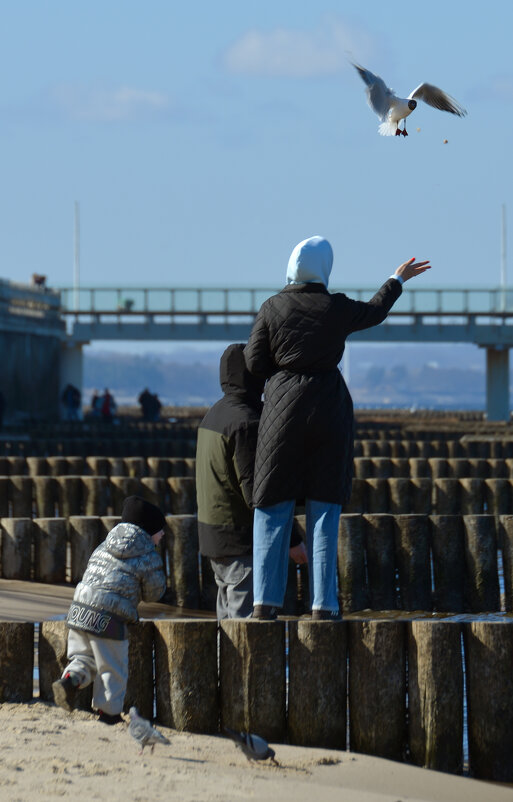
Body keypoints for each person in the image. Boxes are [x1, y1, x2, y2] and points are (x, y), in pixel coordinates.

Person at [244, 235, 430, 621]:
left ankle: (265, 603)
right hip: (329, 407)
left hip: (282, 408)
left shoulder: (272, 307)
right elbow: (375, 311)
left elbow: (254, 362)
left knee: (272, 505)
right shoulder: (336, 305)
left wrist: (280, 376)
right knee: (325, 509)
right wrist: (396, 279)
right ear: (324, 269)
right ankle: (324, 605)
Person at [196, 343, 307, 619]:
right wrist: (292, 539)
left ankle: (225, 664)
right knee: (246, 626)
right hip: (241, 540)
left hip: (214, 535)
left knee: (228, 621)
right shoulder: (247, 423)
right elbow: (259, 491)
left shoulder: (215, 414)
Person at [52, 495, 167, 724]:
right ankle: (109, 714)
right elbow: (154, 593)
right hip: (109, 618)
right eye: (159, 531)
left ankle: (70, 680)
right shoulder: (147, 554)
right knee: (112, 668)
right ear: (148, 531)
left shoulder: (104, 544)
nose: (162, 535)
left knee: (84, 658)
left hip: (79, 609)